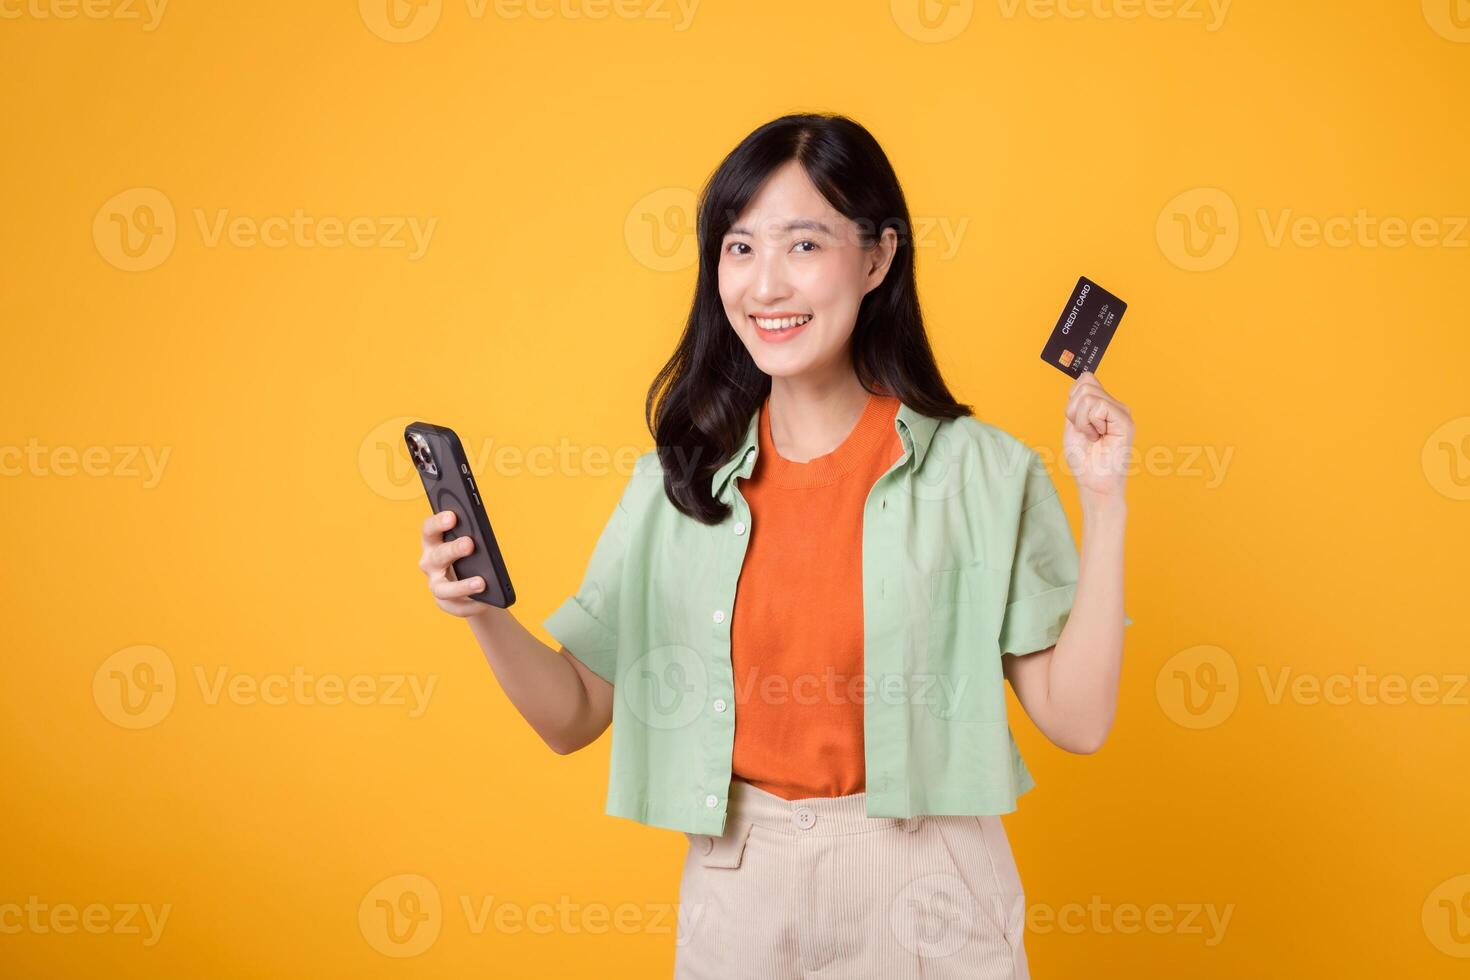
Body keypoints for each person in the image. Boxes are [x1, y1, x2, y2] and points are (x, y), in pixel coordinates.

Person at [415, 113, 1133, 979]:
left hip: (927, 885)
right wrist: (480, 610)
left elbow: (1079, 719)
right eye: (739, 247)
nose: (765, 286)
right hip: (739, 889)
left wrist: (1105, 500)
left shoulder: (986, 473)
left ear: (876, 258)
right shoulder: (679, 481)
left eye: (802, 245)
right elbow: (572, 714)